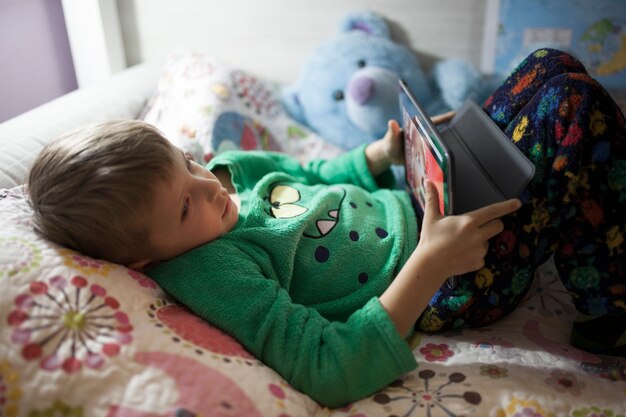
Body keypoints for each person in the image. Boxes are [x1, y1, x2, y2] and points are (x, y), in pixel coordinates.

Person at [27, 49, 625, 407]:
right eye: (186, 206)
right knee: (573, 114)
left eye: (187, 163)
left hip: (418, 198)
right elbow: (326, 367)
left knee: (551, 68)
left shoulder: (221, 174)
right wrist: (431, 263)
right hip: (451, 278)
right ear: (142, 261)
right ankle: (611, 308)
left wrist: (380, 156)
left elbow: (306, 172)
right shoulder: (212, 271)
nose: (211, 185)